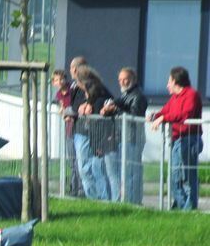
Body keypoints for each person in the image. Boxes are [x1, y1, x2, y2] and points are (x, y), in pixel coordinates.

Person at [149, 66, 204, 210]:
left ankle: (189, 207)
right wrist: (155, 116)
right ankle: (181, 205)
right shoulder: (174, 97)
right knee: (175, 176)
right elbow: (165, 111)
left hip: (189, 139)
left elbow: (185, 115)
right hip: (176, 139)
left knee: (186, 175)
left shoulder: (191, 95)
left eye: (169, 81)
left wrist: (163, 118)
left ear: (176, 81)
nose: (167, 85)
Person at [101, 67, 148, 204]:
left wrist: (115, 109)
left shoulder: (138, 96)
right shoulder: (124, 95)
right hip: (121, 138)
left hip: (132, 138)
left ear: (133, 79)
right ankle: (121, 201)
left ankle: (133, 202)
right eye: (120, 79)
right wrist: (107, 109)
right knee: (119, 173)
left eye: (125, 79)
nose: (122, 82)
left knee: (130, 172)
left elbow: (134, 116)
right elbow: (119, 105)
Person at [70, 63, 116, 200]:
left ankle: (103, 198)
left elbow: (107, 106)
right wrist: (80, 107)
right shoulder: (78, 90)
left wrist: (93, 108)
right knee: (84, 168)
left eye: (79, 81)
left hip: (98, 134)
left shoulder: (100, 91)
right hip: (82, 130)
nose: (77, 84)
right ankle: (92, 197)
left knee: (97, 168)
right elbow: (74, 104)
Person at [52, 69, 84, 198]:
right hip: (69, 128)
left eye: (61, 79)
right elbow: (63, 109)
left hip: (78, 127)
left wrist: (69, 113)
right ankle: (73, 187)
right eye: (56, 80)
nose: (59, 82)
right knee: (72, 160)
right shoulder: (59, 95)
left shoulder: (73, 90)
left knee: (79, 161)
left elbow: (75, 107)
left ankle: (81, 188)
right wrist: (64, 114)